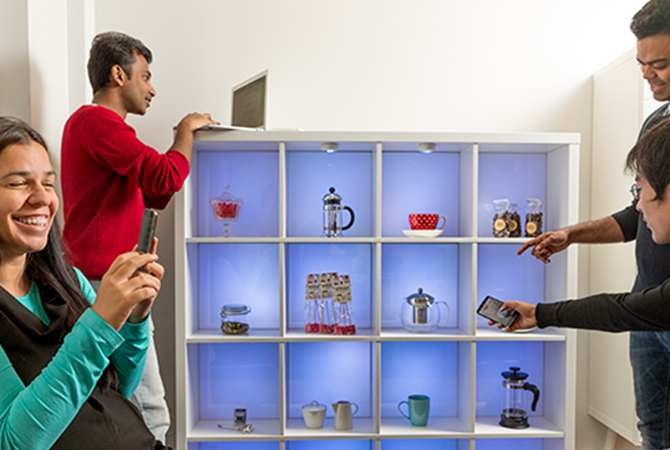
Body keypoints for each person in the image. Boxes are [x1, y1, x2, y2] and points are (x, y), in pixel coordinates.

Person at [517, 1, 670, 447]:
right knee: (653, 431)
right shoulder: (656, 122)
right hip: (647, 309)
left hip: (652, 306)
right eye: (641, 63)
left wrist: (542, 314)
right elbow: (639, 212)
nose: (648, 75)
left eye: (660, 64)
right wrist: (572, 235)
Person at [60, 31, 218, 443]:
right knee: (149, 410)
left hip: (107, 281)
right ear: (118, 75)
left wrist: (175, 154)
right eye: (145, 76)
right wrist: (187, 130)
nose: (152, 88)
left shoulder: (103, 131)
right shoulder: (95, 121)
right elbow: (165, 176)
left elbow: (156, 193)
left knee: (124, 402)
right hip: (106, 283)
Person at [0, 116, 168, 449]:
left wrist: (135, 320)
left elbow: (117, 387)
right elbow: (16, 442)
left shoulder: (69, 280)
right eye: (19, 183)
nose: (42, 198)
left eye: (48, 183)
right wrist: (99, 324)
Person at [498, 119, 670, 333]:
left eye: (640, 189)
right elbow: (624, 311)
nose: (639, 207)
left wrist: (540, 314)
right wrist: (539, 314)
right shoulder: (655, 123)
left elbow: (622, 312)